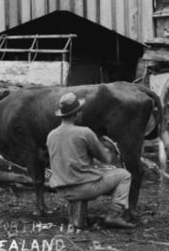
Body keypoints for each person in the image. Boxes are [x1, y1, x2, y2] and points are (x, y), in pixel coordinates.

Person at [46, 92, 135, 229]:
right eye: (80, 112)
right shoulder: (84, 132)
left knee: (97, 173)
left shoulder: (51, 135)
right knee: (124, 175)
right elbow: (106, 159)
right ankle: (114, 215)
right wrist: (111, 148)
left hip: (61, 188)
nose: (81, 114)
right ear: (76, 114)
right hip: (83, 188)